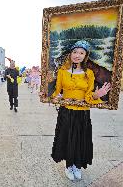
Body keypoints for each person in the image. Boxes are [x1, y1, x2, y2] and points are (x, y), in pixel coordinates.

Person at [50, 40, 111, 181]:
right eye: (75, 52)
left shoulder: (89, 73)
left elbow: (89, 96)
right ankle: (68, 165)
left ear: (85, 56)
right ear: (70, 54)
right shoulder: (62, 72)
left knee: (79, 139)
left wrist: (98, 94)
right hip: (66, 112)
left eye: (81, 53)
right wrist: (48, 96)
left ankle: (76, 166)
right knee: (67, 138)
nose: (77, 55)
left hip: (82, 113)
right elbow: (56, 92)